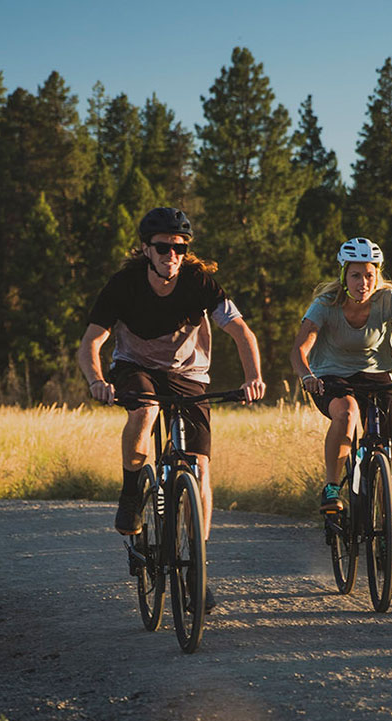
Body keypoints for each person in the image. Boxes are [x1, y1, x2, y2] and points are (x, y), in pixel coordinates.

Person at [77, 206, 266, 607]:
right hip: (135, 367)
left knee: (199, 467)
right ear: (146, 249)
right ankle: (131, 493)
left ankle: (196, 564)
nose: (171, 255)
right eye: (162, 247)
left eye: (179, 247)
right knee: (145, 412)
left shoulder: (199, 281)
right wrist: (97, 380)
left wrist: (254, 378)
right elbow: (90, 343)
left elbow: (241, 331)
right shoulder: (123, 285)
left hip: (189, 374)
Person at [289, 237, 392, 573]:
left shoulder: (390, 299)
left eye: (370, 275)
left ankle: (388, 536)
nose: (363, 283)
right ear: (344, 275)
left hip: (377, 378)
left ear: (378, 275)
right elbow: (300, 349)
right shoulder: (325, 304)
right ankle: (332, 488)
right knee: (347, 413)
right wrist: (307, 376)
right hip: (331, 377)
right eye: (356, 275)